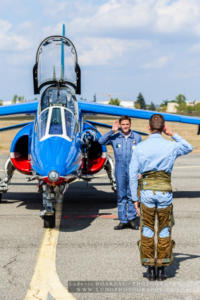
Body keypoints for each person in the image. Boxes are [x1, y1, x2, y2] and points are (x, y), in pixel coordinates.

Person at [129, 114, 193, 281]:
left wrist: (134, 199)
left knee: (147, 228)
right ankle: (163, 267)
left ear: (149, 128)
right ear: (163, 128)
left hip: (147, 193)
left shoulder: (140, 148)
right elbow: (188, 147)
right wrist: (172, 134)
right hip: (165, 192)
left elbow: (131, 174)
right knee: (164, 228)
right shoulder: (171, 146)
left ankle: (150, 267)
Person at [99, 116, 142, 230]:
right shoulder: (115, 137)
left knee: (132, 194)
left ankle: (132, 219)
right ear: (120, 125)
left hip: (133, 170)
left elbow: (141, 156)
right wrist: (112, 131)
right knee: (121, 195)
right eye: (123, 124)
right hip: (120, 170)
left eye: (127, 124)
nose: (125, 126)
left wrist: (140, 171)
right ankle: (122, 220)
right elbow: (101, 141)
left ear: (130, 125)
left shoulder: (137, 137)